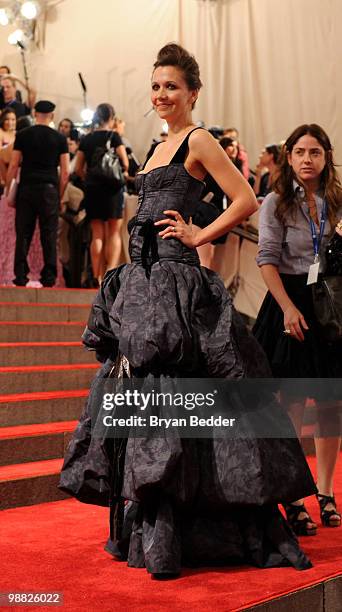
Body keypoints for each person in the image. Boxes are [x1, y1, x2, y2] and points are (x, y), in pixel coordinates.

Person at [60, 44, 315, 578]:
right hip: (144, 287)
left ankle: (202, 525)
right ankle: (162, 527)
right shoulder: (156, 146)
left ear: (193, 92)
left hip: (180, 285)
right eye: (156, 86)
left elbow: (246, 198)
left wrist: (200, 232)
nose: (161, 95)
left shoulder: (198, 140)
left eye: (171, 86)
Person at [253, 124, 342, 536]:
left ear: (327, 158)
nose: (308, 159)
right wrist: (287, 307)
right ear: (288, 157)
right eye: (300, 152)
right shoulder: (275, 203)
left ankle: (325, 491)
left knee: (331, 405)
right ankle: (292, 495)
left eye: (316, 152)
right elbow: (267, 259)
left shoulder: (337, 202)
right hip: (288, 302)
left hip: (329, 306)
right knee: (290, 404)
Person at [5, 100, 69, 287]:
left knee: (23, 233)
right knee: (48, 235)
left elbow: (14, 164)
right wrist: (59, 194)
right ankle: (49, 277)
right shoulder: (59, 138)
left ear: (34, 113)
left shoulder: (23, 135)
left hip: (26, 189)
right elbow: (65, 173)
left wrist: (9, 189)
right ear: (53, 115)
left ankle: (20, 276)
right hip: (49, 190)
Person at [75, 103, 129, 286]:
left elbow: (77, 168)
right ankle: (109, 276)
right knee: (114, 232)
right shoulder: (114, 136)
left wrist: (89, 179)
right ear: (112, 118)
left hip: (93, 189)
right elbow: (125, 163)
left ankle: (96, 276)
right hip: (113, 189)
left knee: (97, 233)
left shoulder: (87, 138)